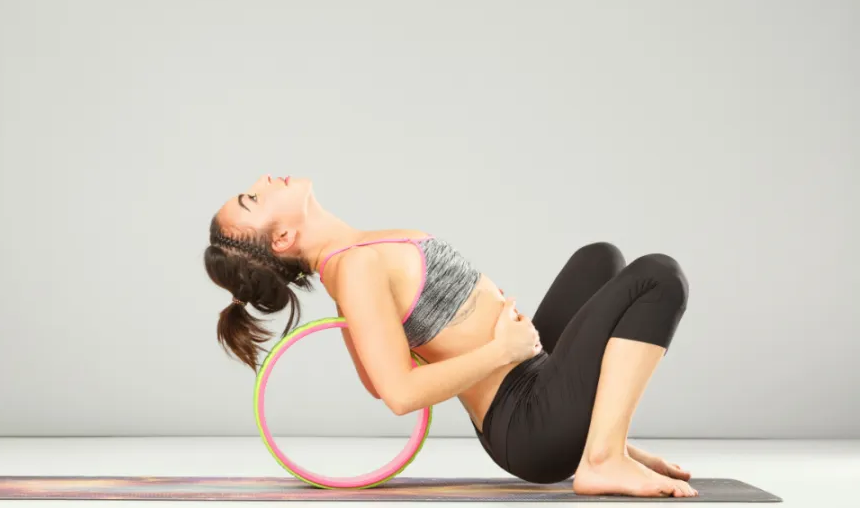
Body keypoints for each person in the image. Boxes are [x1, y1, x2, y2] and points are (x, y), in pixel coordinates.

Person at [203, 174, 696, 498]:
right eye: (254, 198)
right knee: (661, 276)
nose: (264, 182)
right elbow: (396, 393)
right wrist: (501, 349)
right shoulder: (352, 269)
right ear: (282, 239)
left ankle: (605, 438)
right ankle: (602, 458)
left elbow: (375, 380)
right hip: (527, 422)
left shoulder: (352, 257)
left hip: (533, 379)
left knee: (600, 258)